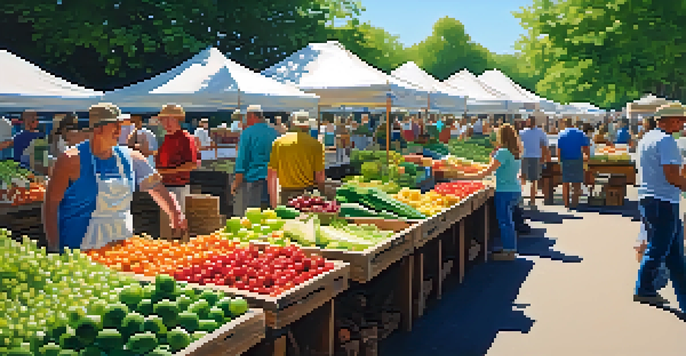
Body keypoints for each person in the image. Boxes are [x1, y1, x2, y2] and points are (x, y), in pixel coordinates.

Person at [43, 103, 186, 252]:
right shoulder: (71, 159)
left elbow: (156, 188)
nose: (119, 131)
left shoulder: (132, 157)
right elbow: (51, 204)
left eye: (121, 126)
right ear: (98, 128)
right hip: (80, 250)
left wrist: (175, 214)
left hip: (120, 250)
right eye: (115, 126)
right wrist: (54, 246)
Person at [632, 103, 686, 311]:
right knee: (659, 250)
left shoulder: (649, 137)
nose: (683, 123)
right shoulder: (666, 141)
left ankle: (679, 297)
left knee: (674, 255)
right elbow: (672, 176)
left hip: (651, 198)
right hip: (663, 201)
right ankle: (644, 288)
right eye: (681, 119)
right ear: (671, 120)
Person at [456, 123, 521, 261]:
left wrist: (462, 176)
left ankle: (509, 251)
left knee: (504, 221)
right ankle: (510, 248)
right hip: (514, 189)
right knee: (508, 221)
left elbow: (486, 172)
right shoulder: (515, 152)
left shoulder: (503, 152)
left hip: (504, 191)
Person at [155, 104, 198, 235]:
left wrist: (165, 172)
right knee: (166, 227)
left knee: (177, 225)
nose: (166, 123)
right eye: (164, 119)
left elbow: (192, 164)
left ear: (178, 120)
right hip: (163, 187)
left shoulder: (185, 138)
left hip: (178, 187)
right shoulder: (166, 138)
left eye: (171, 119)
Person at [268, 111, 326, 208]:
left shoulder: (278, 143)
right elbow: (319, 175)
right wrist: (321, 192)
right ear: (308, 126)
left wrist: (273, 203)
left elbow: (271, 175)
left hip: (286, 194)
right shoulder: (316, 144)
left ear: (292, 124)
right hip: (308, 196)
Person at [231, 105, 279, 215]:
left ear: (252, 116)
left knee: (254, 219)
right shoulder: (274, 132)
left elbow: (242, 160)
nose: (245, 121)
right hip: (273, 181)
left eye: (246, 117)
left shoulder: (247, 133)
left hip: (255, 181)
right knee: (271, 217)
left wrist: (236, 184)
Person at [557, 118, 590, 209]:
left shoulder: (562, 134)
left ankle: (567, 204)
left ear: (565, 124)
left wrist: (559, 160)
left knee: (565, 182)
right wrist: (587, 158)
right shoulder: (580, 133)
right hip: (577, 159)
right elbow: (586, 147)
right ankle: (575, 203)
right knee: (576, 183)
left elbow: (559, 149)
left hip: (566, 159)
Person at [519, 117, 550, 208]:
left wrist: (543, 157)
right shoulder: (539, 132)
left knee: (526, 178)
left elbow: (544, 146)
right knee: (532, 179)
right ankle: (531, 201)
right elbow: (545, 145)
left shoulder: (523, 132)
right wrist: (543, 157)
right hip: (533, 157)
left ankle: (524, 199)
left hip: (527, 157)